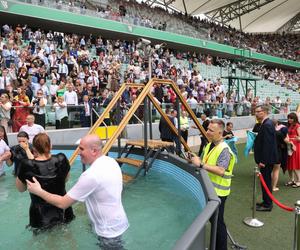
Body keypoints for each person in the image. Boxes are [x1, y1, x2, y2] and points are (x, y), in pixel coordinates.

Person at [26, 135, 129, 249]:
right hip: (118, 220)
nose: (78, 152)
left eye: (81, 149)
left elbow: (63, 203)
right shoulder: (111, 162)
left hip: (107, 231)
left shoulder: (91, 175)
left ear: (94, 150)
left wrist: (39, 191)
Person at [191, 119, 235, 250]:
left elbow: (221, 170)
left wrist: (201, 164)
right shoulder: (210, 145)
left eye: (211, 130)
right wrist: (197, 159)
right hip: (209, 189)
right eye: (208, 129)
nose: (207, 132)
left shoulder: (224, 149)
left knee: (218, 222)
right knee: (214, 221)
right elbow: (205, 162)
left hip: (218, 193)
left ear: (220, 133)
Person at [15, 133, 75, 229]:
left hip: (40, 215)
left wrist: (21, 171)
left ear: (33, 148)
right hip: (64, 211)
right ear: (50, 145)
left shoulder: (26, 165)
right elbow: (66, 179)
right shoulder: (61, 159)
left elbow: (21, 189)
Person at [254, 105, 278, 212]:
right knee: (265, 181)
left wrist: (263, 161)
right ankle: (266, 201)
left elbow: (267, 145)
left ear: (263, 112)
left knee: (266, 182)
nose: (256, 113)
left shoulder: (267, 125)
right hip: (266, 159)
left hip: (266, 160)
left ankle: (268, 204)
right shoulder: (266, 124)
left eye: (257, 111)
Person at [271, 120, 288, 191]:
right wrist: (287, 135)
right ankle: (273, 187)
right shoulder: (279, 133)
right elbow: (286, 141)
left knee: (269, 170)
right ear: (277, 124)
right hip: (277, 153)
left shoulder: (267, 133)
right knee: (276, 170)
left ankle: (268, 185)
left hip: (268, 153)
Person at [286, 112, 300, 187]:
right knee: (289, 165)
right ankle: (292, 180)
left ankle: (299, 181)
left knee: (295, 165)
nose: (289, 119)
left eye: (291, 118)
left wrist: (297, 138)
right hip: (289, 146)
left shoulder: (298, 126)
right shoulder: (289, 126)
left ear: (295, 118)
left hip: (295, 147)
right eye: (288, 118)